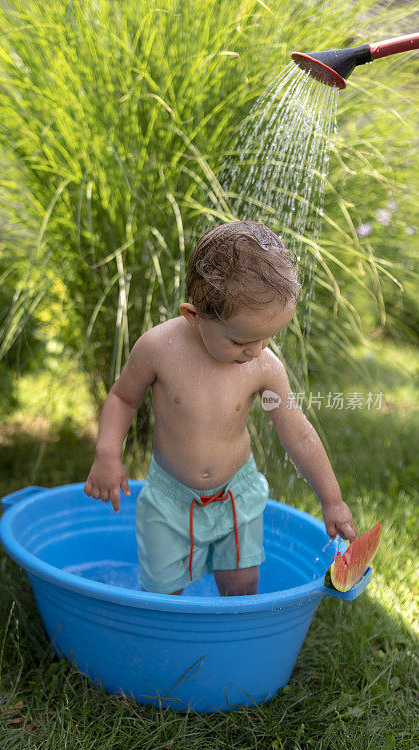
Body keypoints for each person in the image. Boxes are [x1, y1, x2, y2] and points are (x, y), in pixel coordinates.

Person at [84, 220, 357, 597]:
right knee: (161, 593)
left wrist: (332, 499)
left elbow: (298, 430)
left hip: (236, 496)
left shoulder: (264, 365)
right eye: (241, 340)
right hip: (169, 498)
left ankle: (234, 648)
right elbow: (122, 398)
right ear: (193, 315)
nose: (258, 350)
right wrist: (107, 453)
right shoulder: (158, 349)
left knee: (242, 587)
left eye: (269, 338)